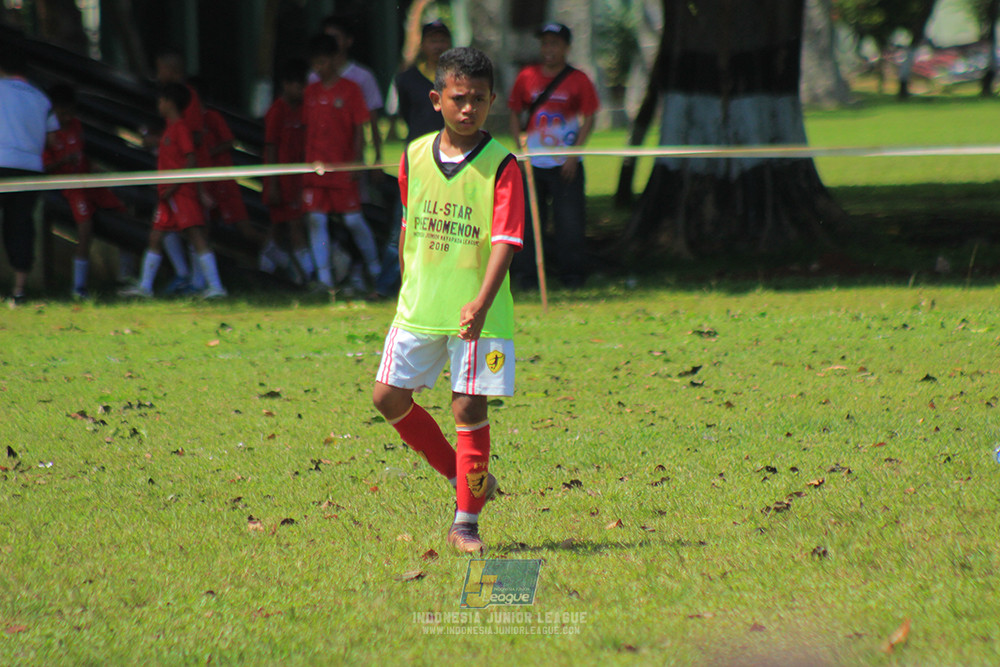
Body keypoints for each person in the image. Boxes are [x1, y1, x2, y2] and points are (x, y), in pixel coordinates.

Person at [372, 47, 525, 555]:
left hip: (478, 314)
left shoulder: (502, 165)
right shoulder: (414, 157)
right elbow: (408, 227)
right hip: (420, 305)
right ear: (437, 99)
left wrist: (481, 302)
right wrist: (404, 281)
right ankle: (467, 480)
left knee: (467, 405)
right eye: (459, 98)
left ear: (492, 101)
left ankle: (466, 523)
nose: (469, 109)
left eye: (479, 100)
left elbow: (505, 240)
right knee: (387, 398)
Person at [507, 22, 598, 289]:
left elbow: (590, 117)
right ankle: (526, 277)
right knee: (529, 223)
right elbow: (514, 111)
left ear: (566, 48)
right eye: (545, 43)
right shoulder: (526, 77)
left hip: (565, 163)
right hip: (533, 163)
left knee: (569, 222)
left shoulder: (578, 79)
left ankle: (572, 276)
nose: (549, 49)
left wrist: (574, 154)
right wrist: (521, 150)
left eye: (555, 44)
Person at [119, 83, 226, 299]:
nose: (158, 104)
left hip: (181, 194)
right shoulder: (169, 129)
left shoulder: (181, 129)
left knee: (196, 237)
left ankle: (216, 287)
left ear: (169, 102)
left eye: (160, 100)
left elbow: (191, 160)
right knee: (155, 237)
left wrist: (175, 186)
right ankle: (145, 287)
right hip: (167, 196)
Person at [376, 19, 453, 299]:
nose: (437, 45)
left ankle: (442, 287)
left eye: (442, 39)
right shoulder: (406, 79)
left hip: (453, 160)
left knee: (449, 226)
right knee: (404, 225)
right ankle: (387, 286)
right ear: (422, 44)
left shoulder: (456, 79)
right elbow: (406, 116)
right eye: (432, 39)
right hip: (417, 160)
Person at [302, 33, 380, 293]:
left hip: (344, 169)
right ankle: (325, 280)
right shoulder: (310, 92)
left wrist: (358, 162)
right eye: (315, 63)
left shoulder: (350, 90)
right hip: (315, 171)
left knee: (353, 221)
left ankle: (375, 269)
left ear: (335, 59)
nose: (319, 68)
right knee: (316, 221)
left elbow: (360, 128)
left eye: (323, 62)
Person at [43, 83, 126, 299]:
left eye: (71, 112)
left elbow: (80, 152)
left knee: (120, 209)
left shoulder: (76, 126)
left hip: (85, 180)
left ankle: (126, 277)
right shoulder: (46, 131)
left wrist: (91, 166)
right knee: (85, 226)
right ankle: (78, 286)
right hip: (67, 185)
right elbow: (43, 167)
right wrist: (63, 161)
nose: (68, 117)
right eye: (63, 113)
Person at [0, 45, 59, 305]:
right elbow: (53, 138)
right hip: (31, 168)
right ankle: (20, 289)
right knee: (21, 224)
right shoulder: (41, 98)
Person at [263, 58, 312, 284]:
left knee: (285, 224)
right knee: (291, 225)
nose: (302, 91)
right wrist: (272, 183)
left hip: (299, 180)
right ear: (286, 85)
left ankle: (269, 267)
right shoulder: (276, 111)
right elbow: (271, 146)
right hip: (282, 181)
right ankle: (307, 274)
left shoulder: (304, 109)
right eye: (297, 85)